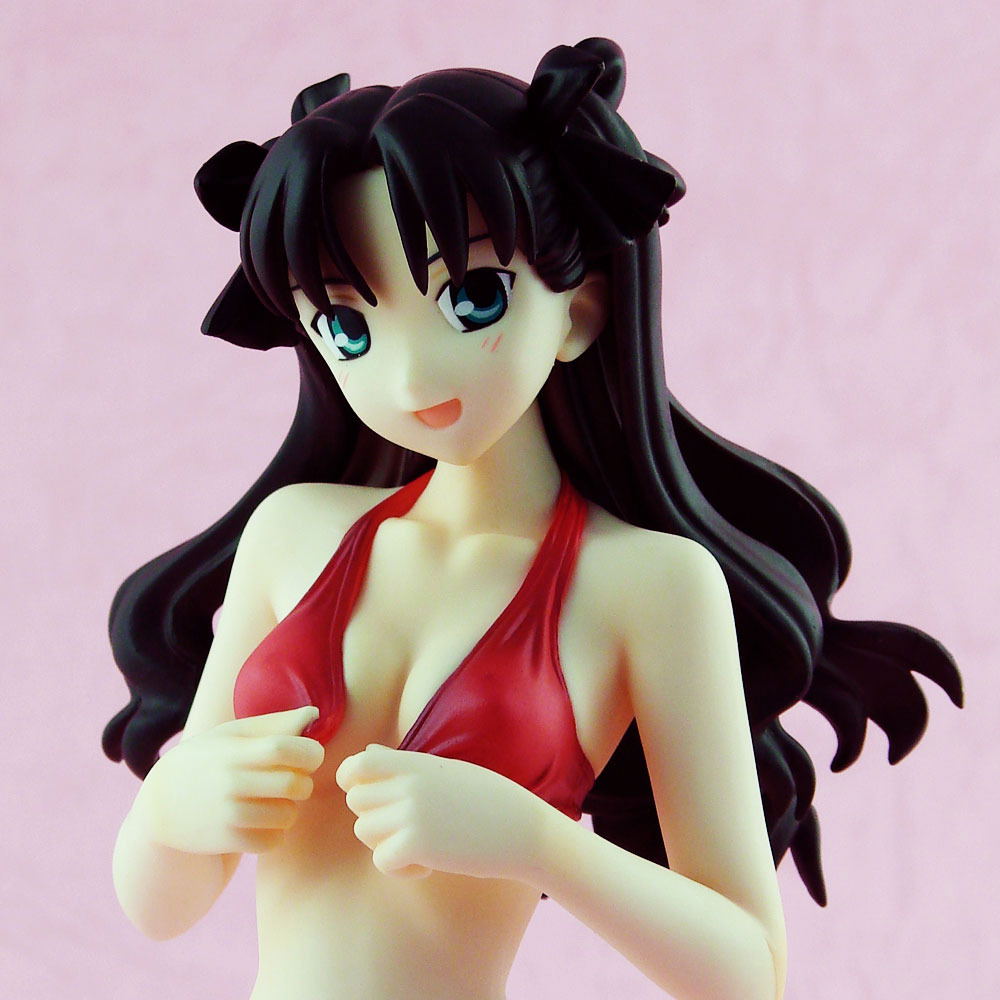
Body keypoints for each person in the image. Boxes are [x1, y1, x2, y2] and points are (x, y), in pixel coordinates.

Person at [104, 38, 961, 1000]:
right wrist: (170, 810)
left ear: (580, 311)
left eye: (472, 299)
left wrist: (540, 844)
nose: (410, 377)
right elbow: (163, 908)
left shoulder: (647, 583)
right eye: (348, 325)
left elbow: (748, 973)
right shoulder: (293, 534)